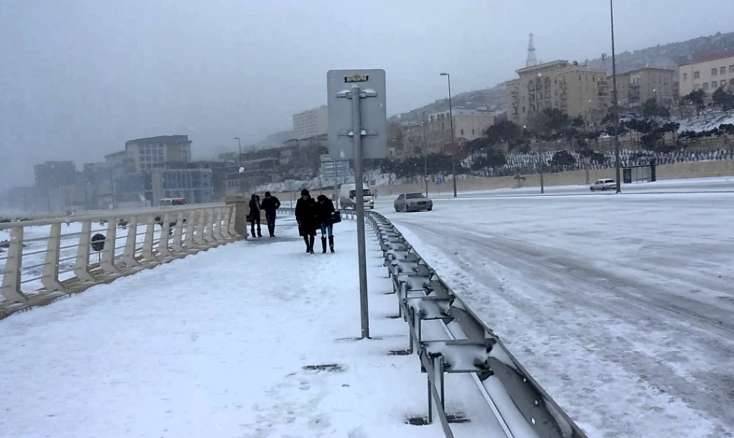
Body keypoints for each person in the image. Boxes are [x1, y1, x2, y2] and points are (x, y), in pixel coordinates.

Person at [295, 189, 318, 254]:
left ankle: (311, 248)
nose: (305, 197)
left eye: (306, 195)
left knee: (312, 235)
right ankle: (307, 246)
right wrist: (298, 219)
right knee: (304, 235)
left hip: (311, 221)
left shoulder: (312, 201)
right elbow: (297, 211)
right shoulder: (299, 201)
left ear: (308, 195)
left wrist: (315, 216)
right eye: (303, 196)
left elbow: (316, 209)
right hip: (303, 221)